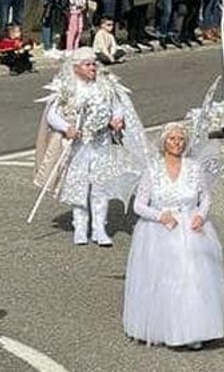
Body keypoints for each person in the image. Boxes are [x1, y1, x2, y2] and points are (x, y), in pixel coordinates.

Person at [125, 122, 224, 349]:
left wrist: (201, 215)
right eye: (172, 139)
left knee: (193, 277)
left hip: (191, 229)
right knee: (166, 280)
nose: (177, 144)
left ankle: (194, 330)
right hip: (160, 231)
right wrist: (160, 215)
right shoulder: (152, 170)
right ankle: (168, 327)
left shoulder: (194, 168)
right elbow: (139, 206)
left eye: (181, 140)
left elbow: (205, 197)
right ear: (164, 143)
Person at [33, 49, 148, 247]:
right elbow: (52, 115)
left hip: (101, 142)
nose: (92, 68)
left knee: (101, 186)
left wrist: (117, 119)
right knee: (79, 185)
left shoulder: (105, 85)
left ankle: (99, 228)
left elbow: (116, 105)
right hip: (79, 144)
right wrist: (66, 128)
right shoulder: (67, 87)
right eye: (87, 64)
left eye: (94, 64)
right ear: (76, 67)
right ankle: (80, 226)